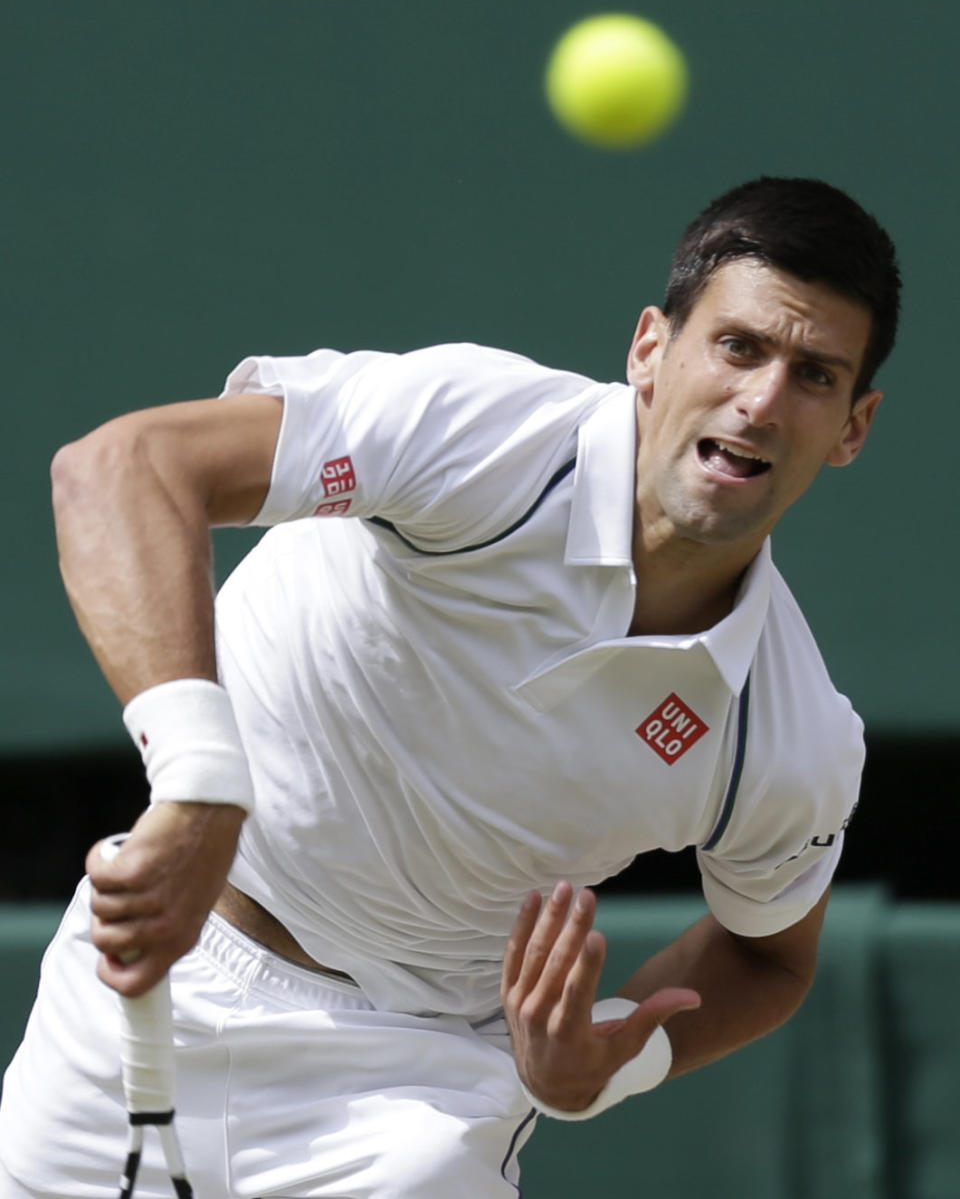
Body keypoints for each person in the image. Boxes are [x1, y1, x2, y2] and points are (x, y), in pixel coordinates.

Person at [0, 176, 900, 1198]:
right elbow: (121, 467)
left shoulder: (788, 735)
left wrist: (605, 1064)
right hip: (142, 998)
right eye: (738, 346)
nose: (763, 401)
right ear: (650, 349)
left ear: (854, 427)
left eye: (815, 375)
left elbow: (770, 957)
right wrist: (200, 777)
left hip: (412, 1094)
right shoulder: (479, 434)